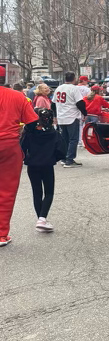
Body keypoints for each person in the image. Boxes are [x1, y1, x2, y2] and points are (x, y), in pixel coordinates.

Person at [0, 65, 38, 247]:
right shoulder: (17, 96)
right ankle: (1, 234)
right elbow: (32, 123)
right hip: (8, 145)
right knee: (6, 190)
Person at [20, 107, 65, 232]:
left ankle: (40, 218)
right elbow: (61, 150)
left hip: (32, 164)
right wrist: (53, 157)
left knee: (37, 192)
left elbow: (22, 148)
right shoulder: (54, 133)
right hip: (47, 164)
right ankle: (42, 218)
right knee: (49, 192)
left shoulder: (28, 132)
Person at [53, 72, 88, 168]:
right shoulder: (74, 88)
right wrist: (84, 113)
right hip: (71, 116)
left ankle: (63, 158)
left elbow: (53, 104)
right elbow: (80, 103)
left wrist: (55, 116)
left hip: (61, 116)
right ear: (74, 78)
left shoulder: (59, 88)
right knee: (73, 139)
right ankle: (69, 160)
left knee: (64, 139)